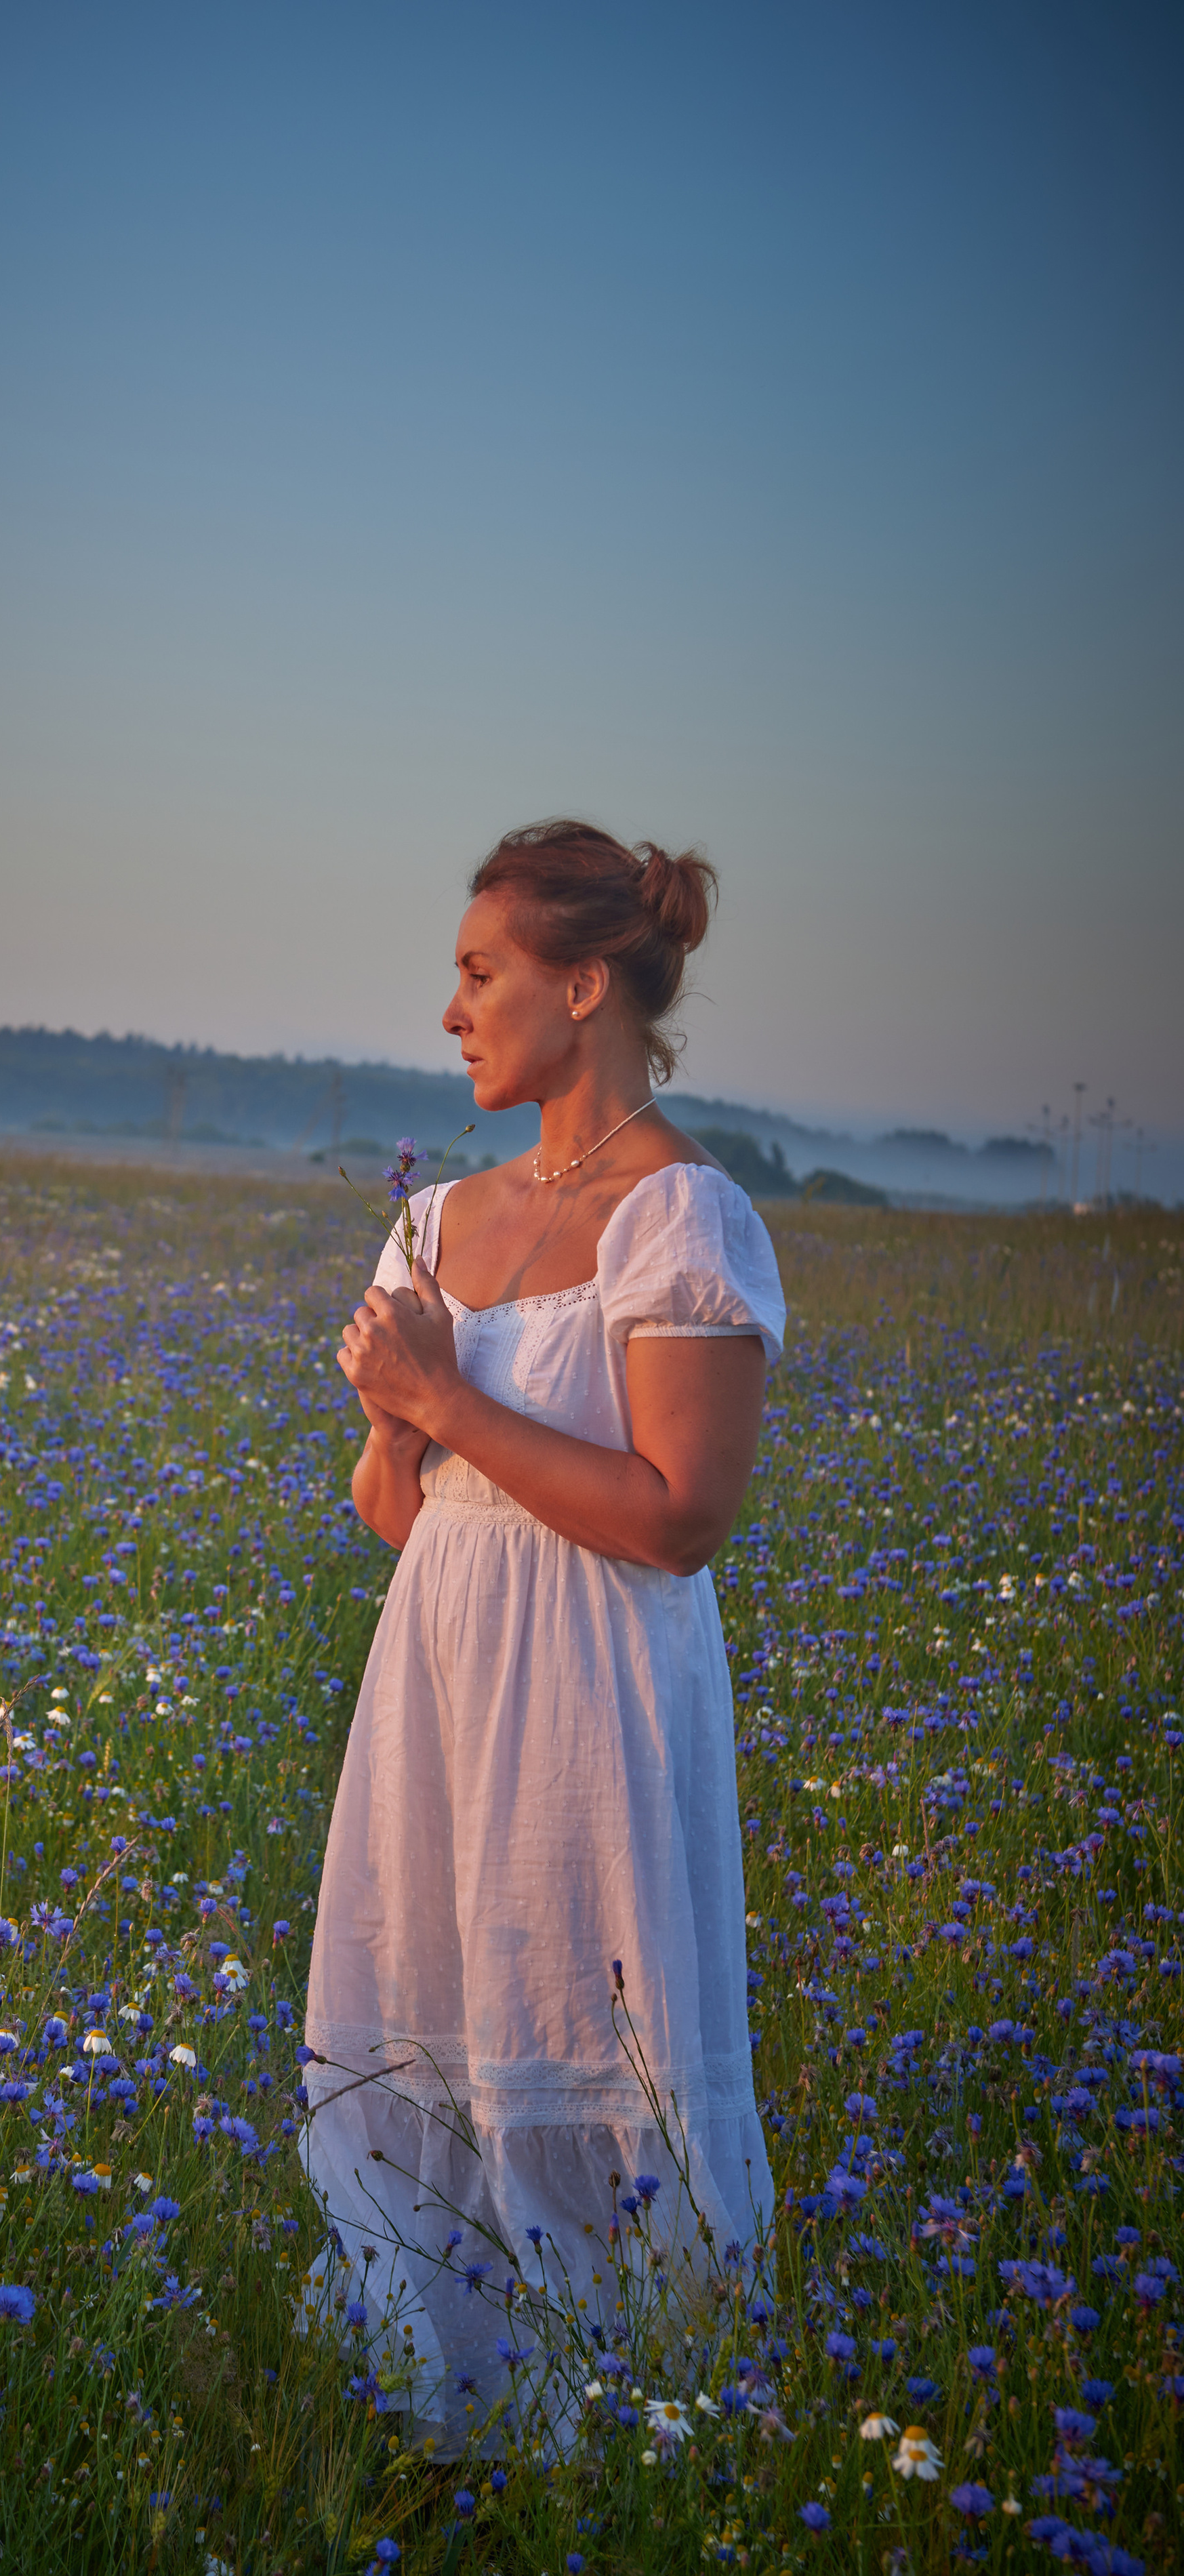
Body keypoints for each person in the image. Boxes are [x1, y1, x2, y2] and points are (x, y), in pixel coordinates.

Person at [300, 818, 783, 2456]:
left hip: (593, 1695)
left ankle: (625, 2441)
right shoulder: (434, 1219)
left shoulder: (682, 1221)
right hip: (438, 1689)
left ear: (582, 987)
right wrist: (388, 1422)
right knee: (435, 2023)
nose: (450, 1010)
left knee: (589, 2045)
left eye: (477, 971)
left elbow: (674, 1516)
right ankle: (441, 2428)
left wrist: (442, 1396)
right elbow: (403, 1513)